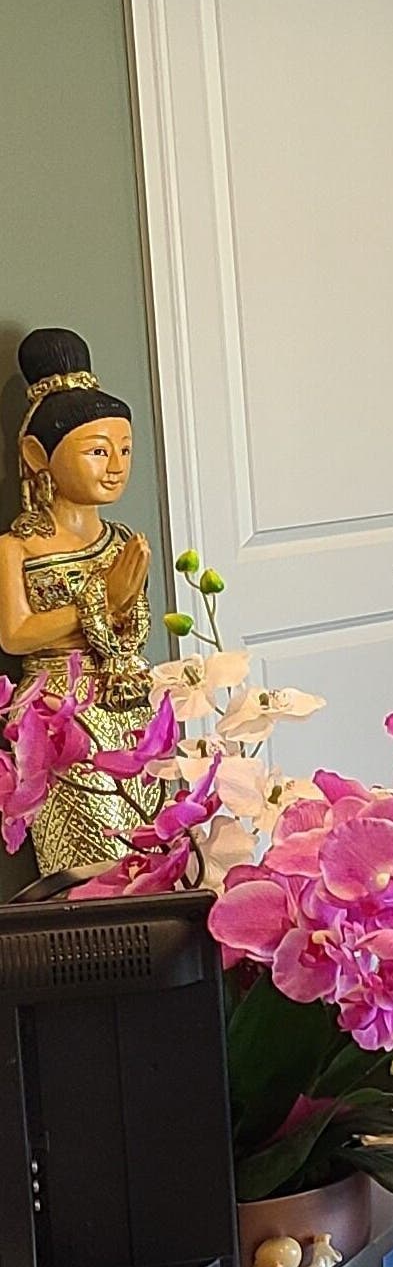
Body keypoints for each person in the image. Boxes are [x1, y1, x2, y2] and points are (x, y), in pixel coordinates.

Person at [3, 328, 157, 872]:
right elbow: (16, 636)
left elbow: (132, 630)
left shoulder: (120, 541)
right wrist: (101, 598)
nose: (116, 465)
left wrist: (120, 607)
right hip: (57, 709)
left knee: (150, 841)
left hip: (128, 700)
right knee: (89, 861)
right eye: (96, 451)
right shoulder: (19, 546)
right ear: (36, 455)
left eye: (125, 450)